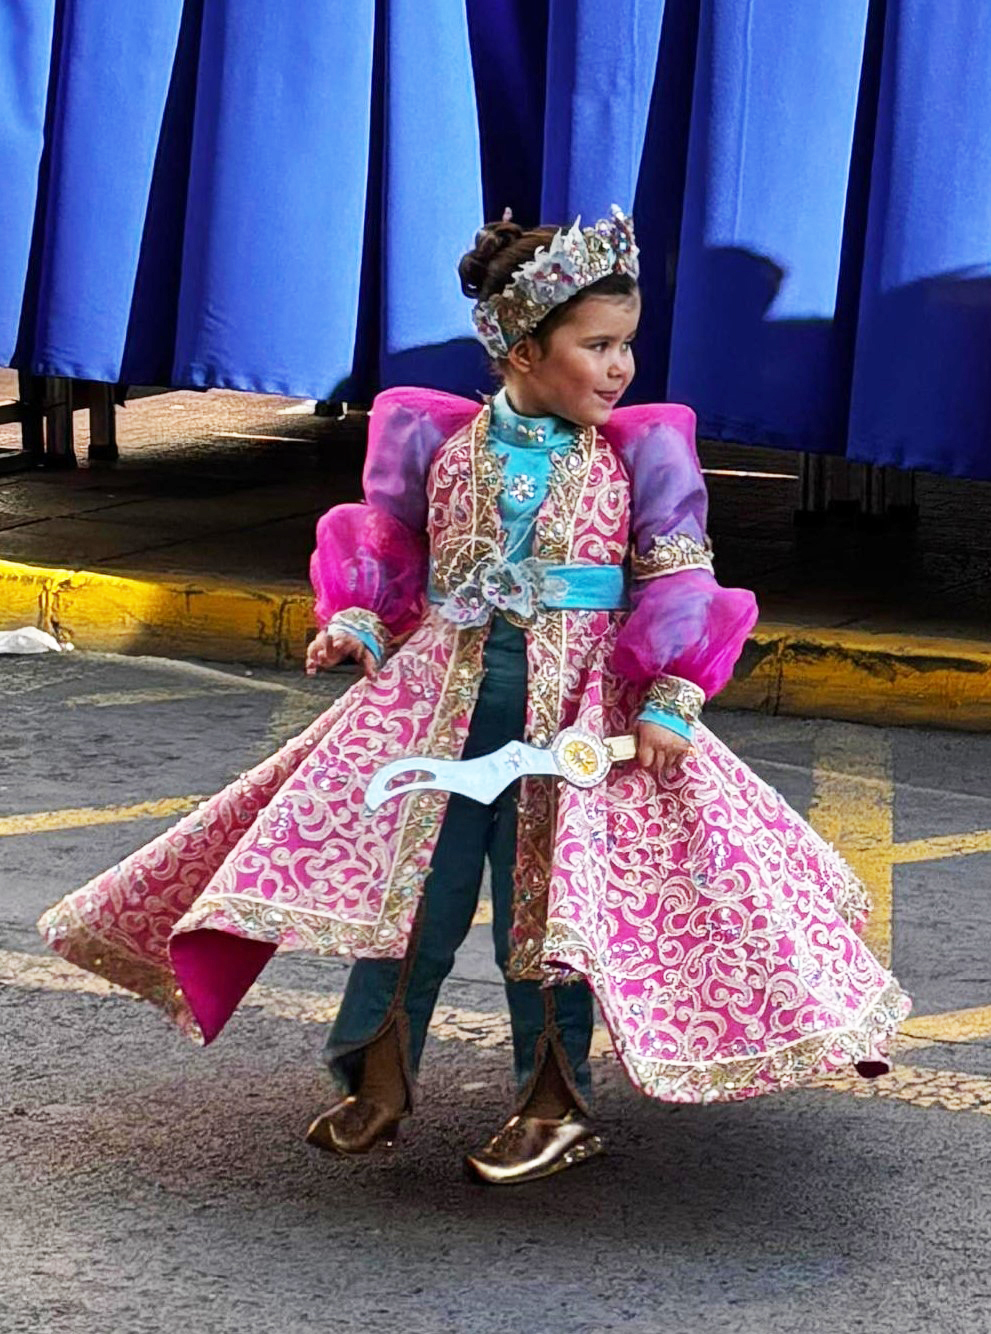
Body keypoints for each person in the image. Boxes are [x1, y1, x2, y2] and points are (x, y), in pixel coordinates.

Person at [38, 207, 910, 1186]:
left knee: (546, 918)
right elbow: (390, 544)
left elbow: (680, 576)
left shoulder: (642, 452)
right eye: (597, 346)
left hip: (577, 718)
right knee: (413, 896)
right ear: (523, 349)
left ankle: (553, 1102)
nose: (620, 368)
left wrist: (671, 695)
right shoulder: (434, 437)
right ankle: (375, 1080)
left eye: (625, 345)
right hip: (438, 707)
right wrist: (360, 620)